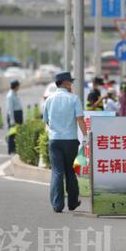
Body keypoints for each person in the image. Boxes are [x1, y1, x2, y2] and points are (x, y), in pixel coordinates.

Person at [42, 72, 86, 213]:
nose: (71, 84)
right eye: (70, 82)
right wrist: (85, 136)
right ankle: (72, 203)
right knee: (70, 172)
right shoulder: (74, 99)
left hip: (54, 140)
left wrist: (56, 129)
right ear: (65, 83)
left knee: (57, 172)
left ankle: (57, 205)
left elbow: (46, 120)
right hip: (70, 140)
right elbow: (80, 119)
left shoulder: (49, 99)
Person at [5, 80, 23, 155]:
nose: (19, 87)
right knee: (12, 133)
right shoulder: (10, 96)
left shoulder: (15, 94)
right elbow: (10, 109)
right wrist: (12, 120)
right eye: (18, 85)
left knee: (17, 133)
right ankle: (11, 150)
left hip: (18, 115)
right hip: (14, 116)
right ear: (16, 86)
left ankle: (15, 149)